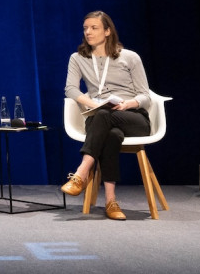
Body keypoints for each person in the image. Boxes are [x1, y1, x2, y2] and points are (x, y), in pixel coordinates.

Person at [61, 11, 152, 220]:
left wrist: (129, 103)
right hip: (101, 117)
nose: (88, 32)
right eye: (85, 28)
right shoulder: (78, 58)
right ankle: (111, 201)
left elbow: (145, 95)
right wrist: (95, 104)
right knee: (110, 134)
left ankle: (81, 173)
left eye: (94, 28)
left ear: (108, 31)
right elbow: (71, 90)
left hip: (132, 117)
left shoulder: (130, 57)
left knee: (104, 117)